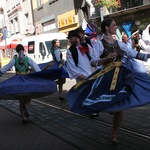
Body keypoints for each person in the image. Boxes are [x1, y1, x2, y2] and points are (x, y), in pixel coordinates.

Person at [67, 18, 150, 146]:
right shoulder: (99, 44)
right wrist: (106, 58)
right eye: (114, 25)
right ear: (106, 27)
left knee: (119, 106)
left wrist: (147, 55)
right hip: (107, 76)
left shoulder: (120, 43)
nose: (116, 27)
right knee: (112, 105)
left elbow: (133, 53)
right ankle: (109, 110)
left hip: (122, 75)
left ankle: (114, 134)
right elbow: (93, 61)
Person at [0, 44, 59, 123]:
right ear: (24, 50)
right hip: (27, 81)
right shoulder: (28, 59)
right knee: (28, 99)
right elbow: (37, 70)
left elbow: (4, 69)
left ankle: (24, 118)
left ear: (16, 51)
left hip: (17, 81)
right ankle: (25, 106)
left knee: (21, 100)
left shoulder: (14, 60)